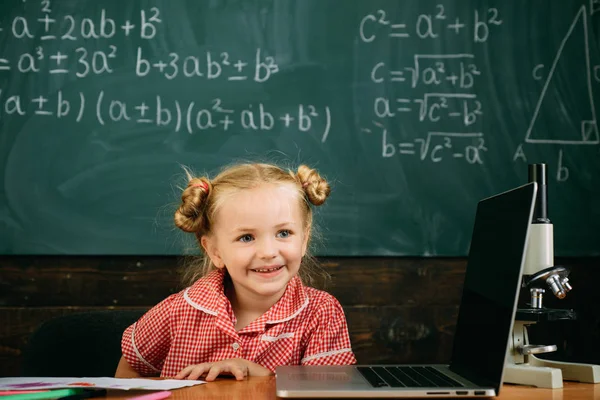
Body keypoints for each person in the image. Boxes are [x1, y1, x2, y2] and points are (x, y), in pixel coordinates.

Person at [115, 162, 356, 381]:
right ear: (215, 251)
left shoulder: (322, 313)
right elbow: (130, 371)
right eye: (246, 237)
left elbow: (329, 392)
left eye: (284, 233)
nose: (268, 251)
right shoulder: (176, 311)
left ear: (304, 239)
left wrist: (257, 373)